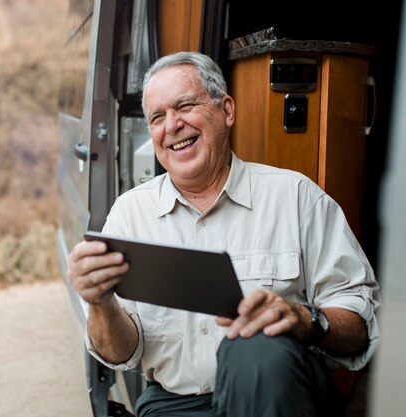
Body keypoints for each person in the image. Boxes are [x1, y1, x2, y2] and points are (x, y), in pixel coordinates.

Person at [67, 51, 380, 417]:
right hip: (175, 404)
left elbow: (361, 325)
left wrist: (306, 320)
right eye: (157, 117)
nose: (172, 126)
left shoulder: (296, 197)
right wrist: (101, 302)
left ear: (226, 111)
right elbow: (120, 354)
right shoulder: (130, 215)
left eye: (185, 106)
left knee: (257, 346)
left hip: (281, 397)